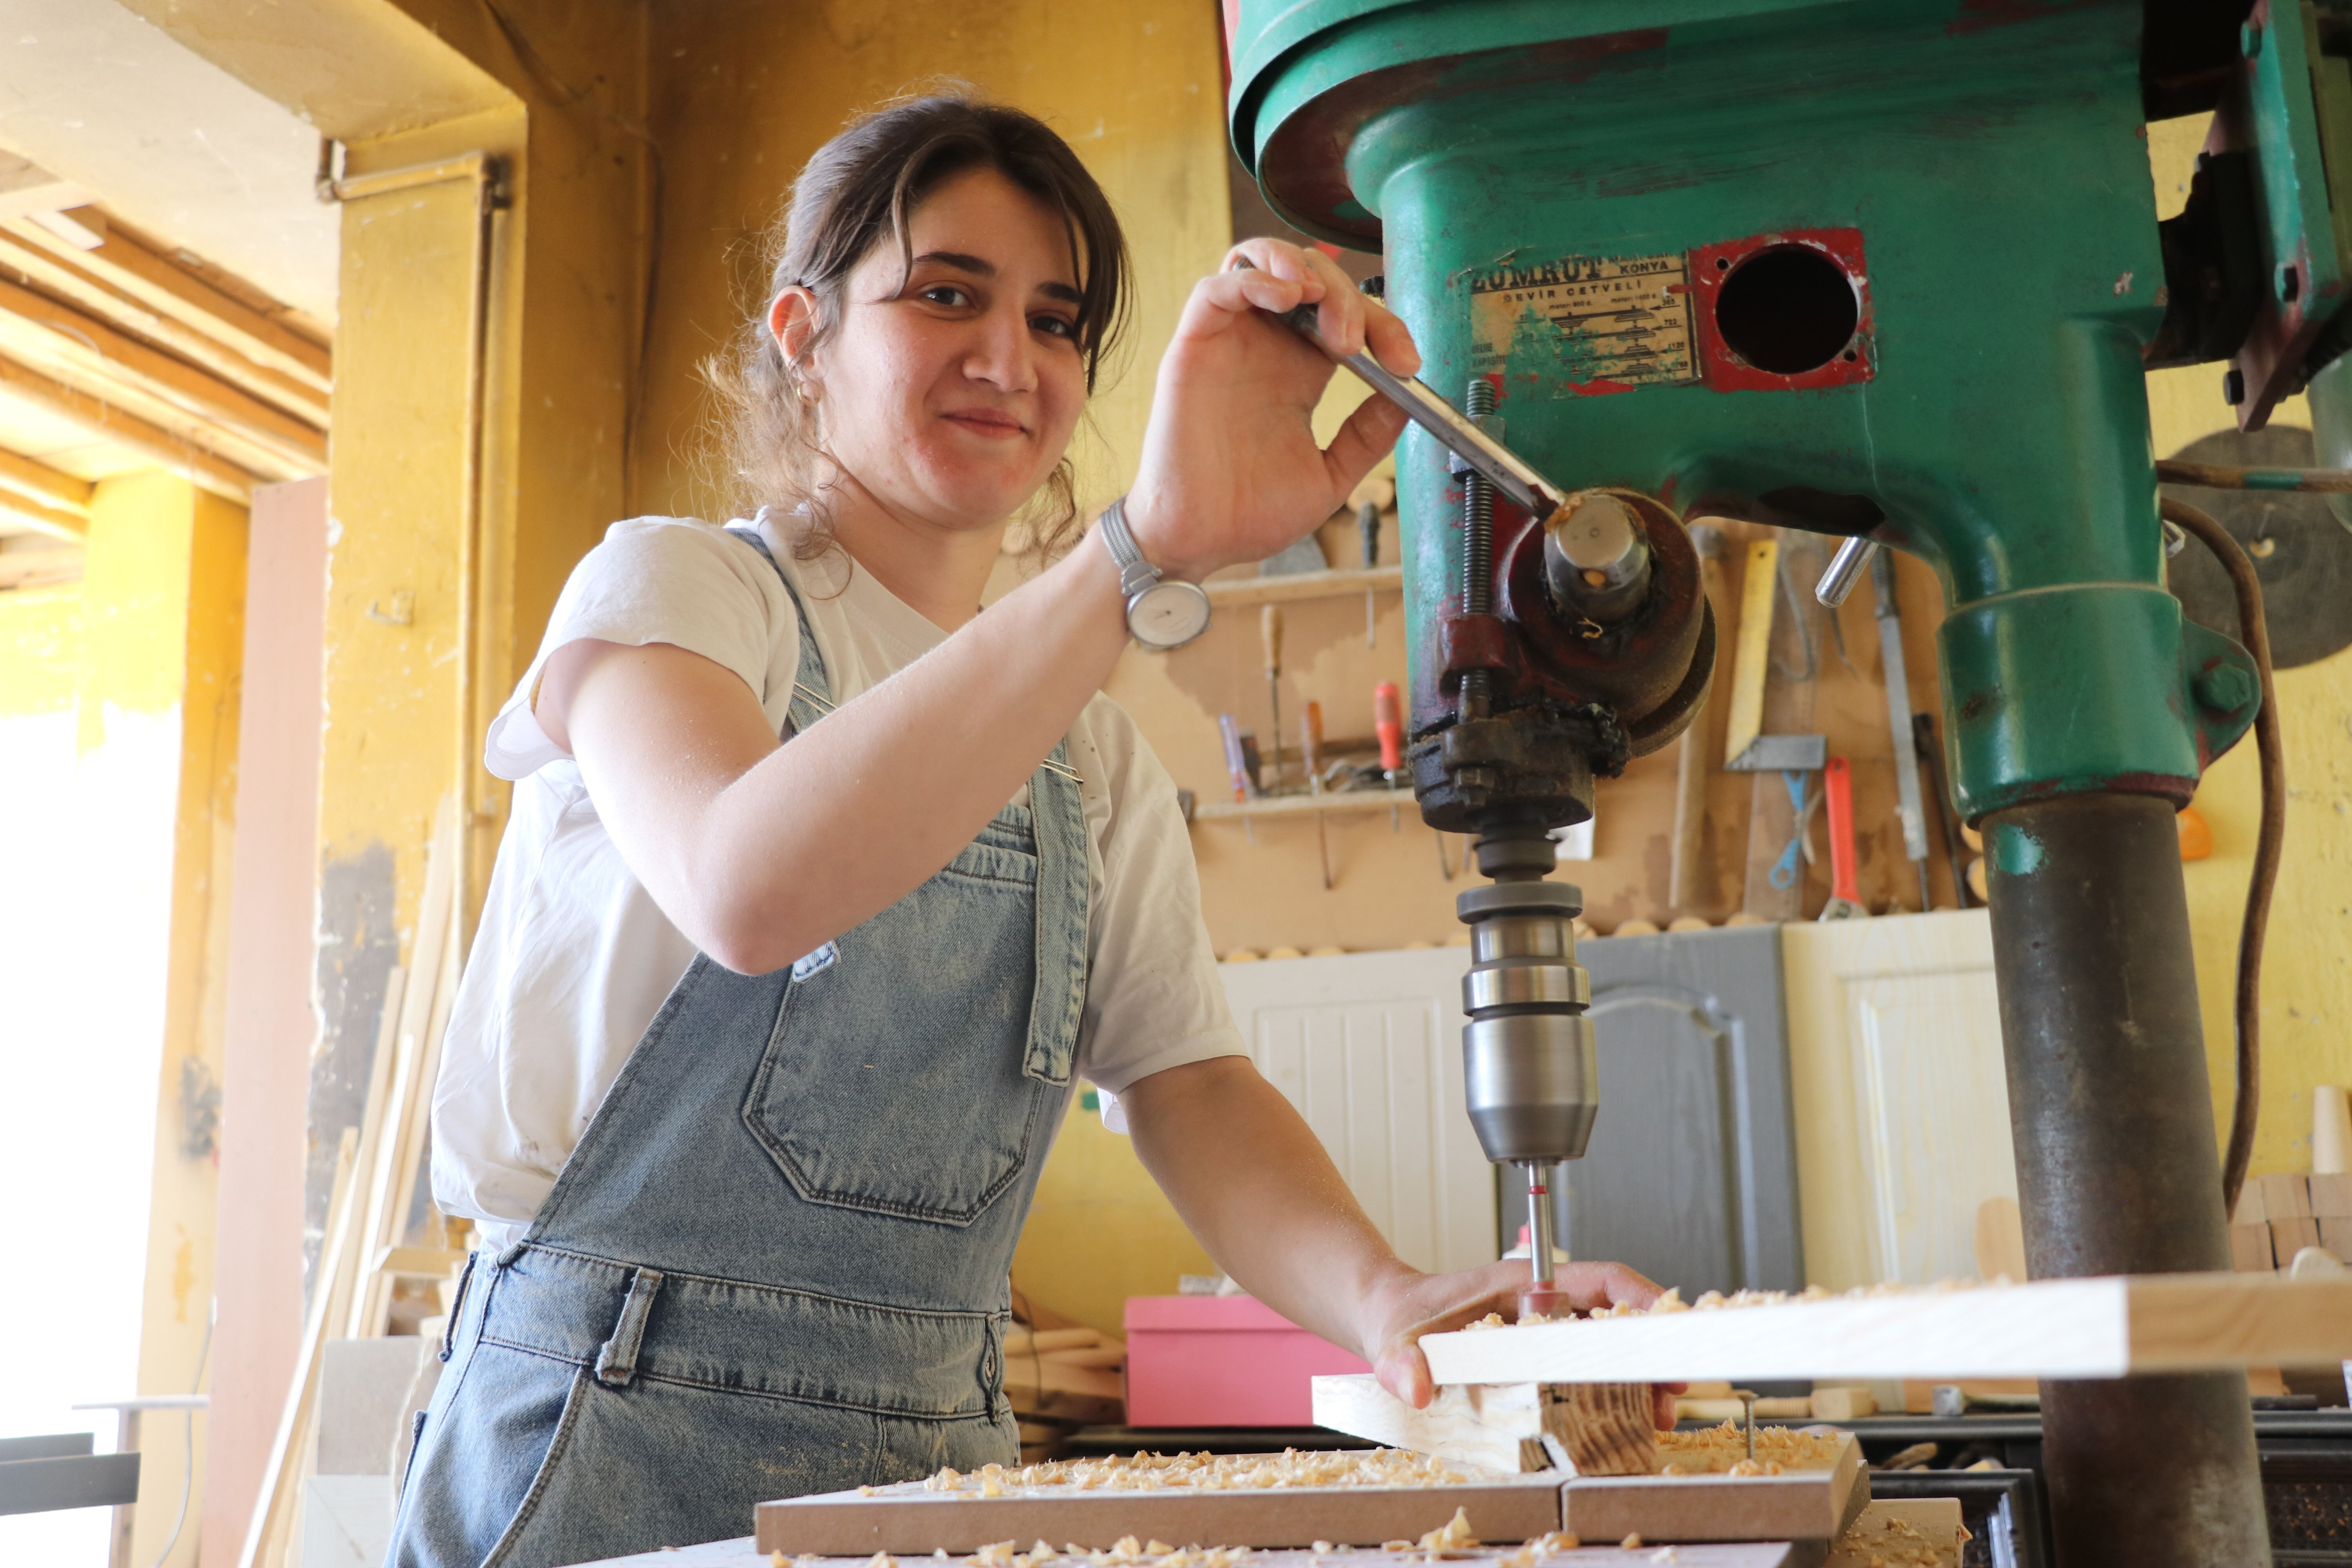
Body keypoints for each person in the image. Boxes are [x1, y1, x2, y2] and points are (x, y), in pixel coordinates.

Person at [389, 91, 1666, 1568]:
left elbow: (1184, 1078)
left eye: (1059, 322)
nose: (1010, 361)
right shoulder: (678, 595)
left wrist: (1388, 1299)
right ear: (804, 333)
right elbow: (745, 884)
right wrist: (1138, 552)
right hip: (605, 1431)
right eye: (946, 295)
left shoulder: (1088, 755)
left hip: (937, 1459)